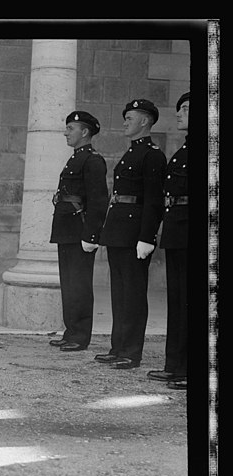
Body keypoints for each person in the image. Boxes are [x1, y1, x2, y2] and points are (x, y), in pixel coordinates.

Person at [95, 99, 166, 370]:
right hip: (119, 231)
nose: (125, 121)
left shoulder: (152, 155)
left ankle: (131, 351)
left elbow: (153, 201)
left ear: (145, 121)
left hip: (136, 233)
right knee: (120, 292)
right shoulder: (131, 152)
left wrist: (147, 237)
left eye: (130, 117)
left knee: (134, 294)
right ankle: (118, 346)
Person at [48, 111, 108, 352]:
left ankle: (80, 336)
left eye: (70, 128)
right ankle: (71, 331)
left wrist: (91, 235)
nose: (66, 132)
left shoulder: (93, 160)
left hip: (80, 229)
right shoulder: (75, 159)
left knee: (80, 285)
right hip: (67, 227)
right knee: (69, 283)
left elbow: (98, 200)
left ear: (85, 132)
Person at [147, 92, 190, 390]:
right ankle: (175, 365)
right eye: (180, 108)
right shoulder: (183, 150)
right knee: (178, 302)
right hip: (177, 230)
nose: (179, 113)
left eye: (187, 109)